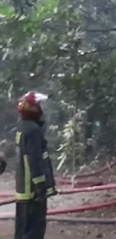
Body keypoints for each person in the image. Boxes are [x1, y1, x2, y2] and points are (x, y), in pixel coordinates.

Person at [15, 92, 57, 239]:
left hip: (24, 189)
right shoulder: (33, 130)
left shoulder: (22, 127)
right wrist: (40, 187)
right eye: (38, 105)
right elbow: (35, 161)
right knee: (34, 230)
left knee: (22, 229)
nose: (41, 109)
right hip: (33, 191)